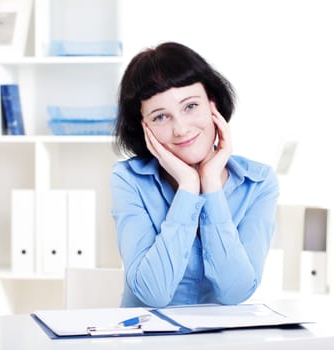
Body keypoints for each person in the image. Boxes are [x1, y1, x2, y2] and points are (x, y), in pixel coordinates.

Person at [110, 42, 279, 308]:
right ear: (143, 127)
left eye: (190, 107)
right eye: (160, 117)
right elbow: (153, 294)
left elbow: (234, 292)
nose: (181, 129)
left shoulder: (258, 182)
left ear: (212, 104)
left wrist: (210, 185)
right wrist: (188, 186)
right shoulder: (128, 180)